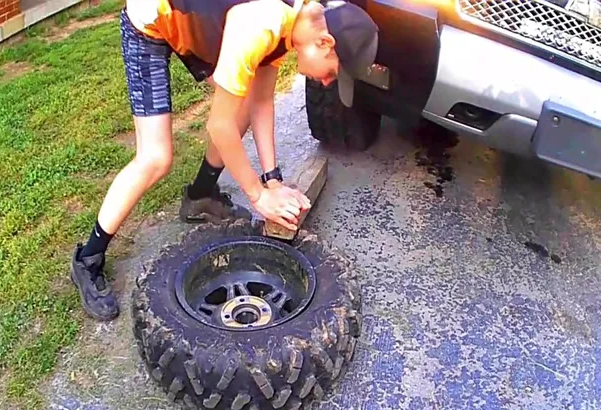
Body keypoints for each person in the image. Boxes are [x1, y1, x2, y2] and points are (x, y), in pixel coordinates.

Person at [70, 0, 379, 321]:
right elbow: (218, 126)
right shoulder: (263, 25)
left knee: (241, 104)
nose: (328, 82)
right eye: (333, 73)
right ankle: (88, 258)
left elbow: (262, 101)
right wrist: (258, 197)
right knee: (156, 157)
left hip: (201, 22)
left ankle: (201, 195)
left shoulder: (296, 22)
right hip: (151, 21)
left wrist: (272, 179)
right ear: (325, 43)